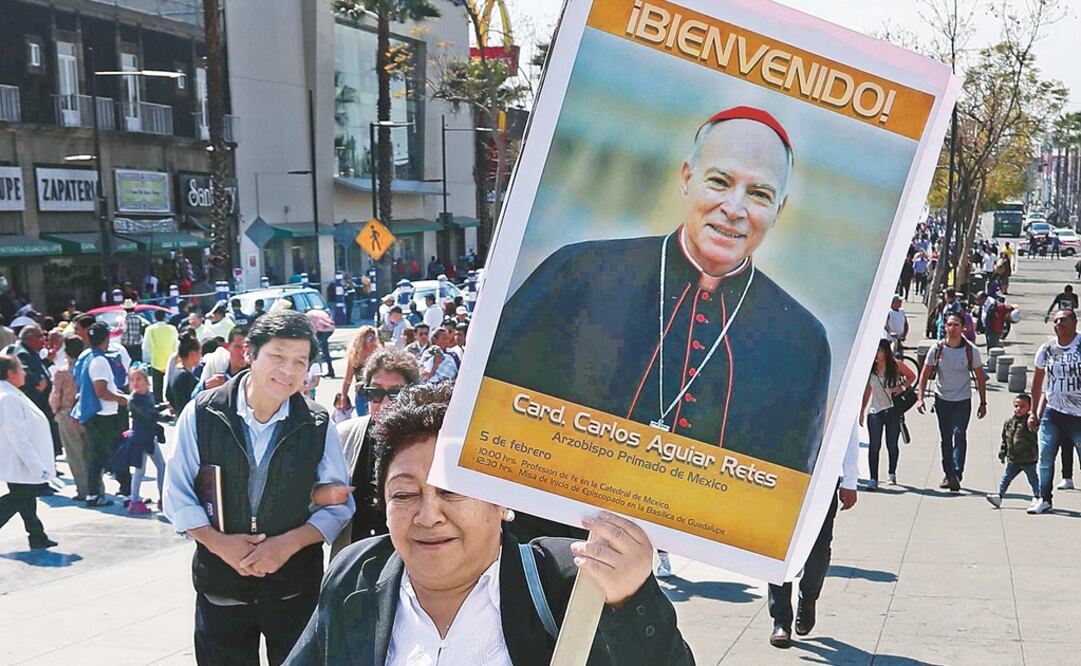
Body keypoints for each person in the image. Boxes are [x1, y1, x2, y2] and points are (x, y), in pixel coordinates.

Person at [486, 106, 830, 472]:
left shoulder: (802, 341)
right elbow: (492, 417)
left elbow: (790, 489)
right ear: (686, 179)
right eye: (719, 181)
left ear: (779, 209)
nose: (734, 208)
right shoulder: (578, 273)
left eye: (759, 193)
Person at [286, 382, 693, 665]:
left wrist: (631, 599)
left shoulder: (572, 581)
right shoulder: (355, 574)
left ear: (502, 502)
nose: (428, 516)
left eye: (451, 491)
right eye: (405, 495)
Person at [162, 310, 356, 666]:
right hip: (221, 589)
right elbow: (177, 494)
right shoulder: (203, 413)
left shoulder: (315, 422)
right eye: (277, 356)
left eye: (300, 361)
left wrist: (287, 544)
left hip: (293, 590)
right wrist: (220, 544)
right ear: (250, 353)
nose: (288, 371)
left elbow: (339, 504)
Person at [768, 423, 859, 648]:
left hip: (823, 477)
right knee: (777, 544)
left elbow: (848, 428)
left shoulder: (836, 386)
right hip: (782, 470)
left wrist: (850, 480)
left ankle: (808, 597)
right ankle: (781, 619)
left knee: (818, 549)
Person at [330, 347, 419, 558]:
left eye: (395, 394)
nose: (385, 403)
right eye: (376, 393)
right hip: (354, 562)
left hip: (411, 564)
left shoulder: (428, 442)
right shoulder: (343, 436)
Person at [916, 312, 987, 492]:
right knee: (946, 438)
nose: (952, 328)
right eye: (949, 324)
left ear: (963, 327)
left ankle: (956, 472)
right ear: (945, 326)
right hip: (942, 400)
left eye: (956, 325)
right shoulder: (937, 349)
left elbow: (980, 377)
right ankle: (949, 474)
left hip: (963, 400)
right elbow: (924, 373)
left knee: (959, 434)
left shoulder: (971, 350)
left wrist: (983, 403)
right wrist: (920, 397)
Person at [0, 354, 58, 549]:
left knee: (25, 497)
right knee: (19, 498)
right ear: (10, 373)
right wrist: (37, 466)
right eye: (21, 368)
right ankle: (36, 535)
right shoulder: (7, 397)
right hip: (19, 461)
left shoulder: (12, 393)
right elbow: (18, 437)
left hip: (20, 461)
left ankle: (37, 535)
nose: (24, 372)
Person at [71, 323, 130, 507]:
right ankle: (128, 493)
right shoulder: (100, 361)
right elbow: (101, 391)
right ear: (107, 338)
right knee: (118, 452)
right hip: (104, 414)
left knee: (97, 456)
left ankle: (94, 494)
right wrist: (119, 399)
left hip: (91, 413)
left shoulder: (85, 356)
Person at [1028, 309, 1081, 514]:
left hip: (1078, 415)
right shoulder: (1047, 349)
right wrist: (1034, 412)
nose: (1059, 323)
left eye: (1064, 320)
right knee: (1046, 456)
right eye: (1056, 320)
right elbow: (1038, 382)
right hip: (1053, 413)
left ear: (1074, 322)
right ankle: (1044, 498)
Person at [860, 339, 916, 489]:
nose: (876, 354)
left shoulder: (896, 365)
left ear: (885, 352)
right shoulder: (871, 368)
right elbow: (867, 390)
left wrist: (902, 387)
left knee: (891, 444)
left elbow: (912, 376)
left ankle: (892, 473)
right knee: (874, 445)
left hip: (892, 409)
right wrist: (862, 410)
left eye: (878, 351)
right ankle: (873, 478)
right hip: (875, 411)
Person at [123, 365, 170, 515]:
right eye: (132, 380)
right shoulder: (134, 400)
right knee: (139, 471)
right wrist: (165, 416)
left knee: (162, 467)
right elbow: (149, 414)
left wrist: (163, 406)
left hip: (150, 438)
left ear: (146, 381)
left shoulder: (148, 396)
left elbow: (152, 408)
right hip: (140, 439)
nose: (135, 383)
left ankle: (163, 497)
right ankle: (134, 501)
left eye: (138, 379)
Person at [49, 335, 91, 501]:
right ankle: (96, 487)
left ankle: (83, 490)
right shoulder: (88, 367)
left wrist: (55, 411)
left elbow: (55, 396)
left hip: (67, 414)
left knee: (75, 455)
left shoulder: (62, 371)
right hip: (88, 413)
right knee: (90, 453)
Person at [987, 394, 1040, 510]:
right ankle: (999, 496)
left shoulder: (1029, 422)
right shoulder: (1009, 422)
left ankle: (1038, 496)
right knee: (1006, 478)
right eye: (1016, 406)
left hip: (1028, 458)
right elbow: (1005, 439)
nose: (1019, 409)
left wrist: (1034, 418)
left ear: (1029, 408)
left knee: (1033, 479)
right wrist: (1003, 452)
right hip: (1013, 458)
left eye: (1023, 406)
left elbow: (1035, 428)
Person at [190, 327, 249, 399]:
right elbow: (193, 397)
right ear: (228, 346)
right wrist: (205, 386)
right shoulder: (214, 364)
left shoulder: (253, 374)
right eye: (237, 347)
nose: (242, 352)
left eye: (246, 347)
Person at [339, 325, 381, 416]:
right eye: (370, 338)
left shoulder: (379, 355)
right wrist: (343, 397)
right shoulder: (355, 357)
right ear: (362, 340)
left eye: (374, 338)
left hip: (377, 394)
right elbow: (347, 379)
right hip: (362, 394)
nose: (373, 341)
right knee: (363, 421)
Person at [142, 309, 179, 402]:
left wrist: (146, 359)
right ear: (165, 317)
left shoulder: (150, 329)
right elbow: (176, 344)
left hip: (156, 361)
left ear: (155, 318)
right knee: (170, 384)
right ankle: (172, 402)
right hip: (170, 360)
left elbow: (146, 346)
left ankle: (158, 403)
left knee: (157, 386)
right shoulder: (172, 328)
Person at [167, 334, 202, 415]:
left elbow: (168, 395)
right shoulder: (186, 377)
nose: (201, 356)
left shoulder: (175, 371)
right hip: (187, 420)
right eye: (199, 353)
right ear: (192, 354)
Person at [305, 308, 337, 378]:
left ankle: (328, 370)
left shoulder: (308, 315)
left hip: (322, 329)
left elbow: (311, 328)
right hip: (330, 328)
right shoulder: (319, 312)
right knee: (322, 347)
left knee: (321, 349)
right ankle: (328, 369)